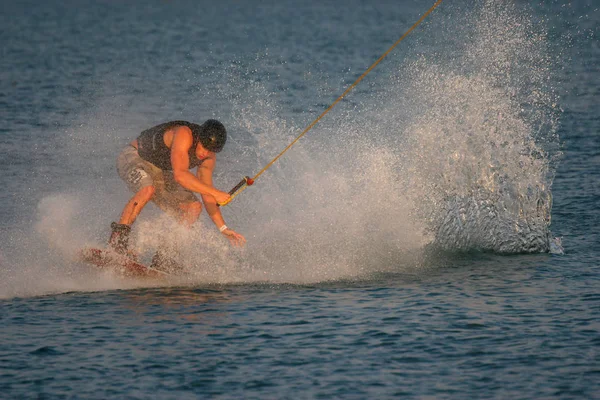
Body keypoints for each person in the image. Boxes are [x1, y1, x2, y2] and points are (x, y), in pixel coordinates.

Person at [108, 119, 246, 269]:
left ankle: (164, 258)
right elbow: (180, 176)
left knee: (193, 207)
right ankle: (117, 244)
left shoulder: (208, 158)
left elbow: (207, 194)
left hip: (159, 171)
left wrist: (223, 228)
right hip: (134, 157)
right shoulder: (184, 134)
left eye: (210, 150)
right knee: (147, 190)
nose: (204, 153)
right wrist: (216, 192)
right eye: (203, 146)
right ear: (199, 137)